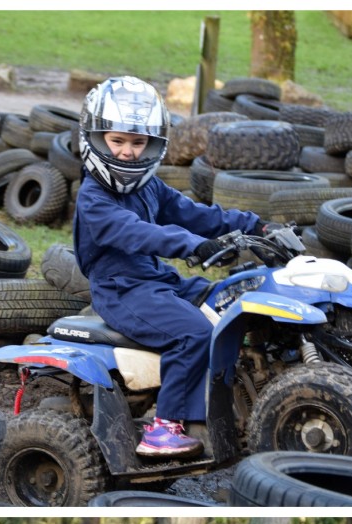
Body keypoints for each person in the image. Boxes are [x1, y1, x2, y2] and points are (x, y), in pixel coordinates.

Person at [74, 75, 265, 458]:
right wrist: (195, 246)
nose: (127, 152)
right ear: (95, 139)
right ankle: (164, 427)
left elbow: (194, 213)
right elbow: (138, 233)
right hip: (121, 291)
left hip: (156, 280)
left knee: (233, 297)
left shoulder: (149, 187)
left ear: (153, 145)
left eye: (138, 142)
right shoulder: (93, 198)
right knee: (192, 333)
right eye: (118, 141)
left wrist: (254, 225)